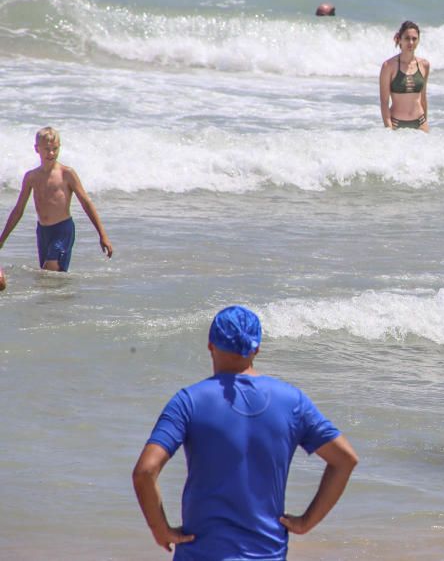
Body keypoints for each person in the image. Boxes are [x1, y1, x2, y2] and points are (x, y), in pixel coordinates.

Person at [132, 306, 358, 560]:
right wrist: (306, 522)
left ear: (210, 345)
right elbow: (345, 459)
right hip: (267, 554)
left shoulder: (189, 401)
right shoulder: (292, 402)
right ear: (257, 349)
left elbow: (145, 471)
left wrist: (160, 529)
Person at [0, 127, 112, 272]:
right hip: (43, 232)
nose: (51, 153)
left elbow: (86, 203)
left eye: (55, 148)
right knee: (50, 277)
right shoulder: (31, 177)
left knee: (50, 269)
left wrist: (103, 235)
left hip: (63, 230)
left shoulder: (67, 174)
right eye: (47, 149)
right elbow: (18, 210)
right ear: (37, 149)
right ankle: (64, 295)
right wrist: (2, 239)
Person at [379, 20, 430, 131]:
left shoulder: (424, 65)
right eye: (407, 38)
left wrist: (425, 121)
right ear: (400, 39)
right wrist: (389, 129)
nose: (411, 42)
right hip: (397, 124)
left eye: (414, 39)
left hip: (420, 123)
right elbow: (384, 102)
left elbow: (423, 99)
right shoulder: (388, 66)